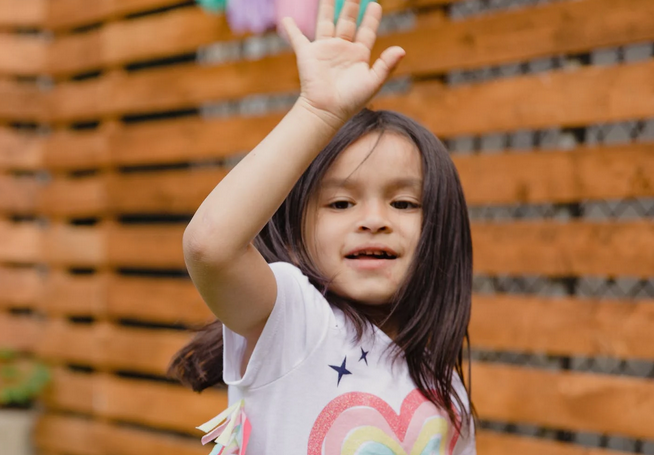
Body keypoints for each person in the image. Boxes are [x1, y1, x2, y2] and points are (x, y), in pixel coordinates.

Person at [169, 0, 476, 453]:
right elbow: (209, 245)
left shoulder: (443, 384)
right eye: (340, 202)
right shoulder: (294, 319)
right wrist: (317, 112)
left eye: (404, 202)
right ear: (298, 228)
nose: (374, 221)